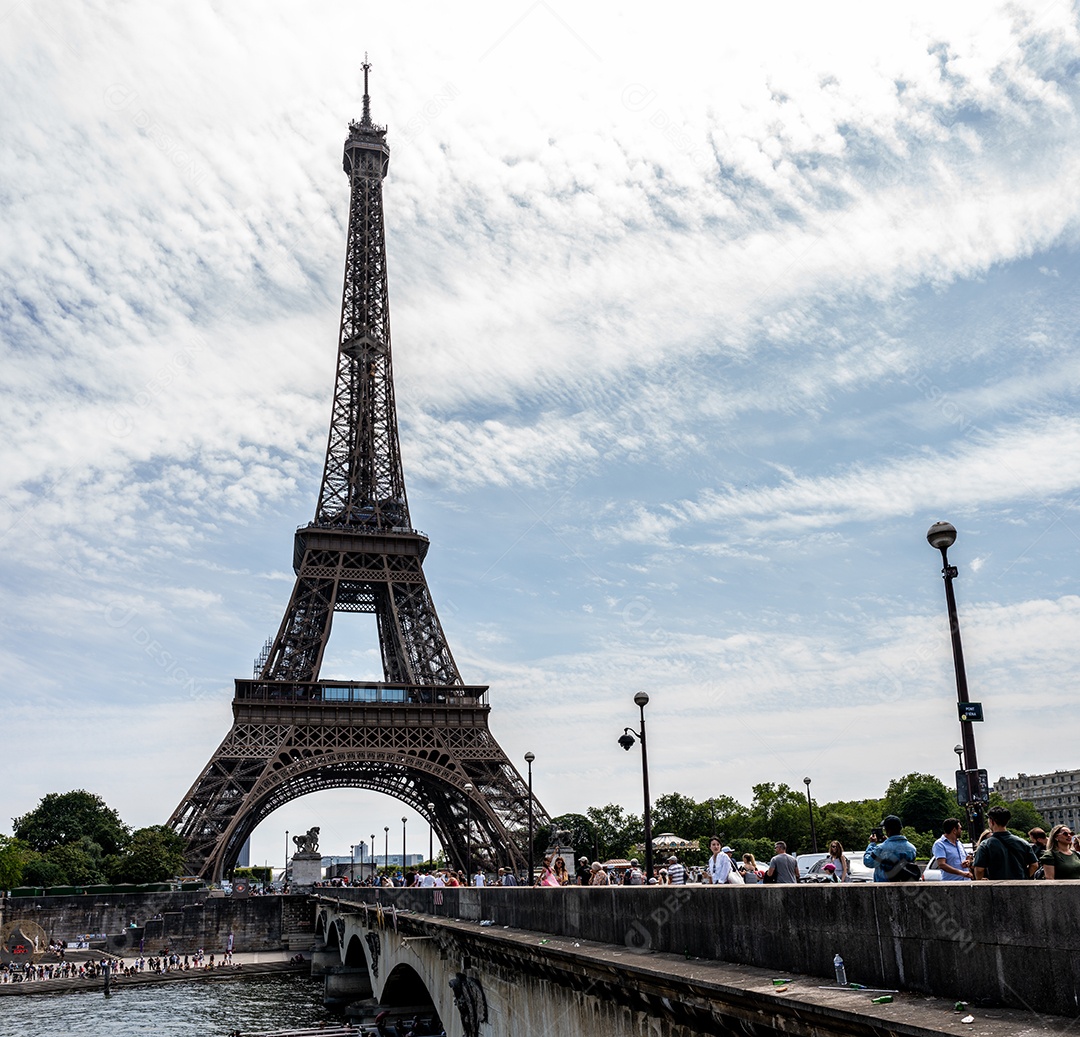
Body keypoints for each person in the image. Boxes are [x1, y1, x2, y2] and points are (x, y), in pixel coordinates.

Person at [972, 805, 1038, 880]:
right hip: (1019, 886)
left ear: (992, 821)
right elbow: (1035, 865)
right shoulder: (1022, 842)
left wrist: (980, 879)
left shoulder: (986, 845)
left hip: (997, 886)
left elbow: (979, 869)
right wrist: (1024, 877)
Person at [863, 816, 918, 882]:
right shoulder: (912, 848)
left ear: (887, 830)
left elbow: (868, 862)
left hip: (885, 887)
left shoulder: (881, 848)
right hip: (904, 887)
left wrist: (872, 844)